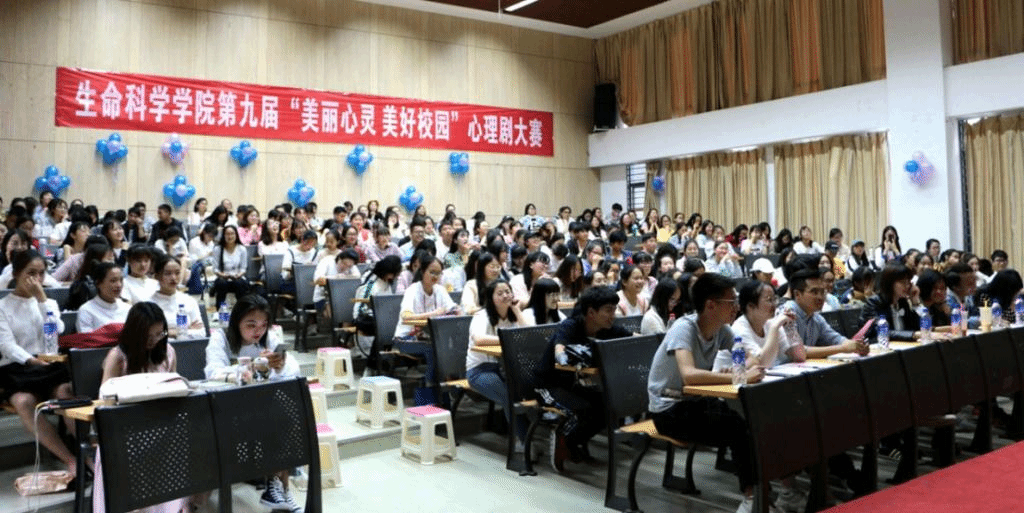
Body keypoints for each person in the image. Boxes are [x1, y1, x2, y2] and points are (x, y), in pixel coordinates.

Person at [646, 273, 765, 513]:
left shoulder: (722, 330)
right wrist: (738, 376)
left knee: (752, 421)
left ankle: (761, 492)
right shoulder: (684, 328)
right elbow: (689, 375)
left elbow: (750, 359)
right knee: (738, 429)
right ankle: (752, 496)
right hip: (667, 409)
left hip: (694, 402)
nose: (736, 307)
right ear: (711, 305)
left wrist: (738, 369)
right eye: (731, 302)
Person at [203, 295, 300, 512]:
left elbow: (293, 368)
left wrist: (280, 365)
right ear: (236, 322)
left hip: (260, 405)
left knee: (285, 415)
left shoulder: (268, 338)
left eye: (264, 325)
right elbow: (213, 373)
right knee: (276, 419)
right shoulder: (221, 338)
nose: (258, 331)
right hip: (227, 408)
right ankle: (277, 487)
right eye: (251, 325)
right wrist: (252, 367)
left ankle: (279, 487)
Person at [0, 249, 76, 474]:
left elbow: (56, 331)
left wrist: (42, 300)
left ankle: (88, 450)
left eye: (41, 273)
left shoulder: (47, 302)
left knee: (66, 391)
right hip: (17, 367)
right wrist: (30, 361)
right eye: (30, 273)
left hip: (48, 364)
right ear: (16, 274)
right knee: (23, 401)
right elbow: (6, 345)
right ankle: (69, 459)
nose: (36, 279)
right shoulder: (3, 306)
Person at [539, 286, 631, 471]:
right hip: (549, 385)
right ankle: (563, 440)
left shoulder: (607, 328)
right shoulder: (571, 325)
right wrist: (564, 358)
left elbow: (634, 339)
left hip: (574, 384)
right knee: (583, 410)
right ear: (591, 312)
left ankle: (570, 442)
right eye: (608, 310)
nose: (613, 315)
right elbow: (560, 348)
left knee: (607, 406)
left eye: (614, 309)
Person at [466, 279, 533, 446]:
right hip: (480, 371)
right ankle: (523, 442)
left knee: (529, 391)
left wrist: (517, 310)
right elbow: (478, 339)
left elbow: (529, 335)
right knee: (509, 396)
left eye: (508, 292)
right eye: (500, 293)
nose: (505, 296)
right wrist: (507, 338)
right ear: (491, 298)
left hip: (507, 369)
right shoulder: (482, 316)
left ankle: (528, 437)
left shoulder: (513, 315)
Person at [393, 257, 459, 404]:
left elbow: (453, 308)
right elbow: (406, 317)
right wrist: (433, 314)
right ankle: (431, 390)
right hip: (406, 339)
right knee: (434, 350)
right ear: (422, 271)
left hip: (431, 339)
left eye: (439, 273)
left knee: (452, 348)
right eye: (432, 272)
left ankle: (450, 389)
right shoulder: (412, 290)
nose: (435, 276)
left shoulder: (440, 290)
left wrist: (457, 310)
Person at [782, 268, 869, 358]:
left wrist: (857, 346)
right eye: (814, 292)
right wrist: (843, 348)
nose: (820, 297)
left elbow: (836, 339)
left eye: (822, 292)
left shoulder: (816, 317)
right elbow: (798, 352)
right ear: (797, 294)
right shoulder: (787, 312)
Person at [149, 255, 206, 339]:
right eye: (167, 273)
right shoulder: (149, 304)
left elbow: (201, 333)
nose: (173, 278)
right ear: (157, 276)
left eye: (177, 273)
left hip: (188, 345)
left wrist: (175, 332)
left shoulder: (189, 300)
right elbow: (151, 334)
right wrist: (185, 330)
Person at [76, 262, 131, 333]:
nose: (119, 285)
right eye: (113, 281)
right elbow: (86, 338)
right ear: (98, 283)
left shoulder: (127, 308)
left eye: (121, 280)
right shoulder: (86, 310)